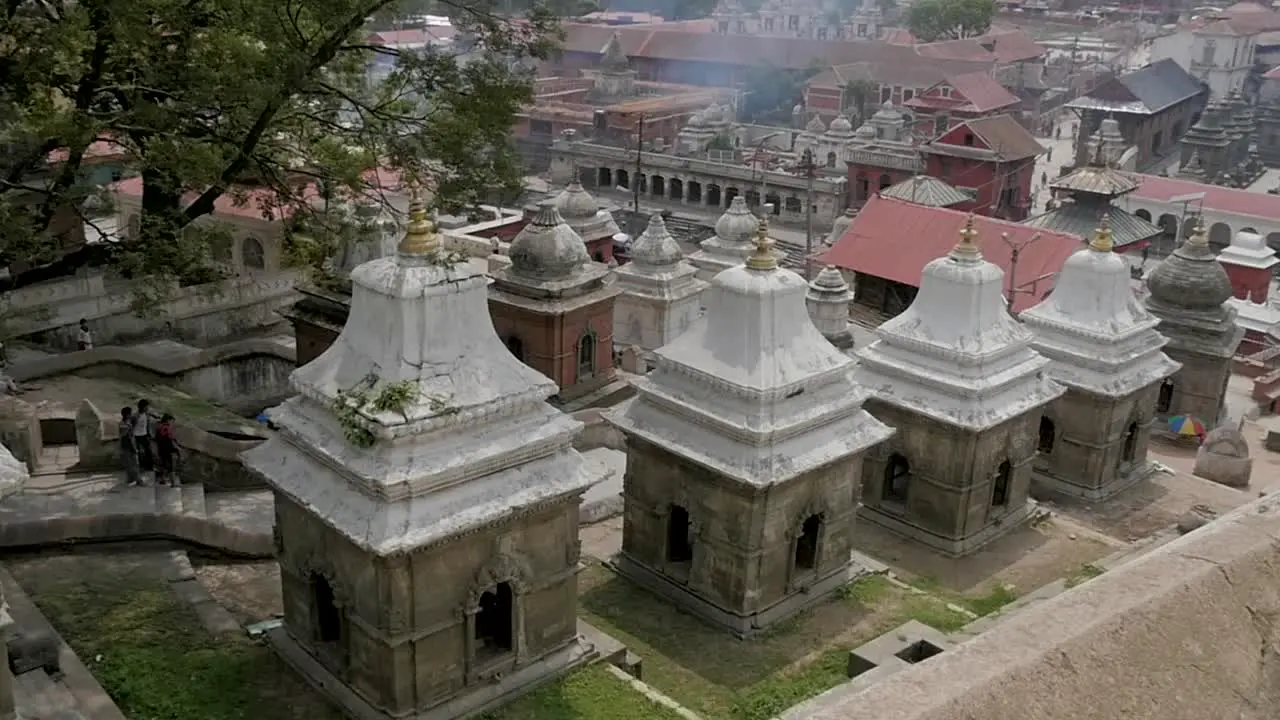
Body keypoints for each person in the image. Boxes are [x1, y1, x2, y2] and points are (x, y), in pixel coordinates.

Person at [132, 398, 156, 480]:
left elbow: (148, 423)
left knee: (148, 451)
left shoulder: (146, 414)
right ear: (143, 407)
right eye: (147, 407)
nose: (148, 408)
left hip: (144, 435)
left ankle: (150, 467)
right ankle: (141, 467)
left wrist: (149, 434)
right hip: (136, 435)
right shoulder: (135, 416)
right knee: (138, 452)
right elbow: (131, 426)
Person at [119, 407, 143, 487]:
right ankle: (136, 480)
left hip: (131, 445)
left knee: (134, 463)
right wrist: (128, 427)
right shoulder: (122, 423)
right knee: (131, 464)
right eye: (130, 413)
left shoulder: (130, 421)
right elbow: (123, 434)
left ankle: (134, 479)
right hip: (127, 446)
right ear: (127, 414)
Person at [155, 413, 179, 486]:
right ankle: (173, 483)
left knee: (163, 464)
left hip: (161, 448)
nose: (172, 423)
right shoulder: (167, 427)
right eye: (171, 421)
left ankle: (162, 479)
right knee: (171, 466)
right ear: (168, 420)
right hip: (168, 448)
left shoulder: (158, 427)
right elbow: (171, 437)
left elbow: (157, 438)